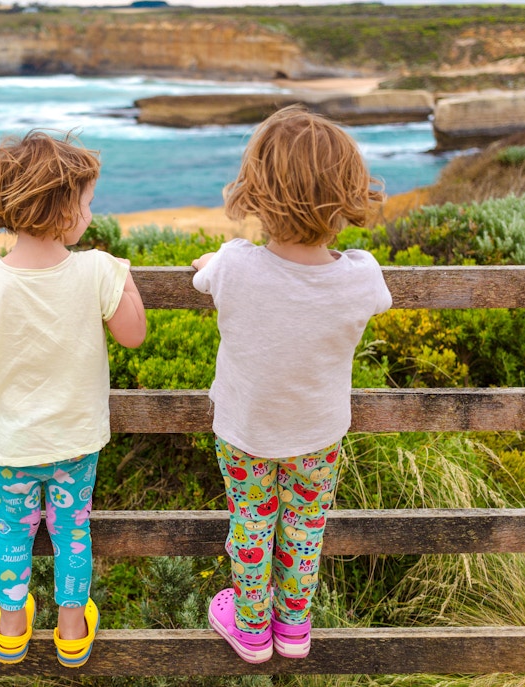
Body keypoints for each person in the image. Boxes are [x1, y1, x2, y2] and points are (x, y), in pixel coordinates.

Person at [0, 130, 146, 668]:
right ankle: (70, 631)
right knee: (73, 529)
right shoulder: (96, 271)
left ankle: (13, 627)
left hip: (9, 442)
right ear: (65, 210)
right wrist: (122, 276)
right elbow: (133, 333)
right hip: (74, 442)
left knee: (12, 530)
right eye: (87, 203)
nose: (91, 212)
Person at [191, 107, 392, 664]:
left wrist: (218, 258)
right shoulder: (362, 275)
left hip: (246, 432)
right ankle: (294, 626)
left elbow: (208, 273)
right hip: (318, 434)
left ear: (257, 193)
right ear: (347, 194)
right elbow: (377, 297)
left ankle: (253, 627)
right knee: (305, 529)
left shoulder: (234, 265)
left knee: (251, 524)